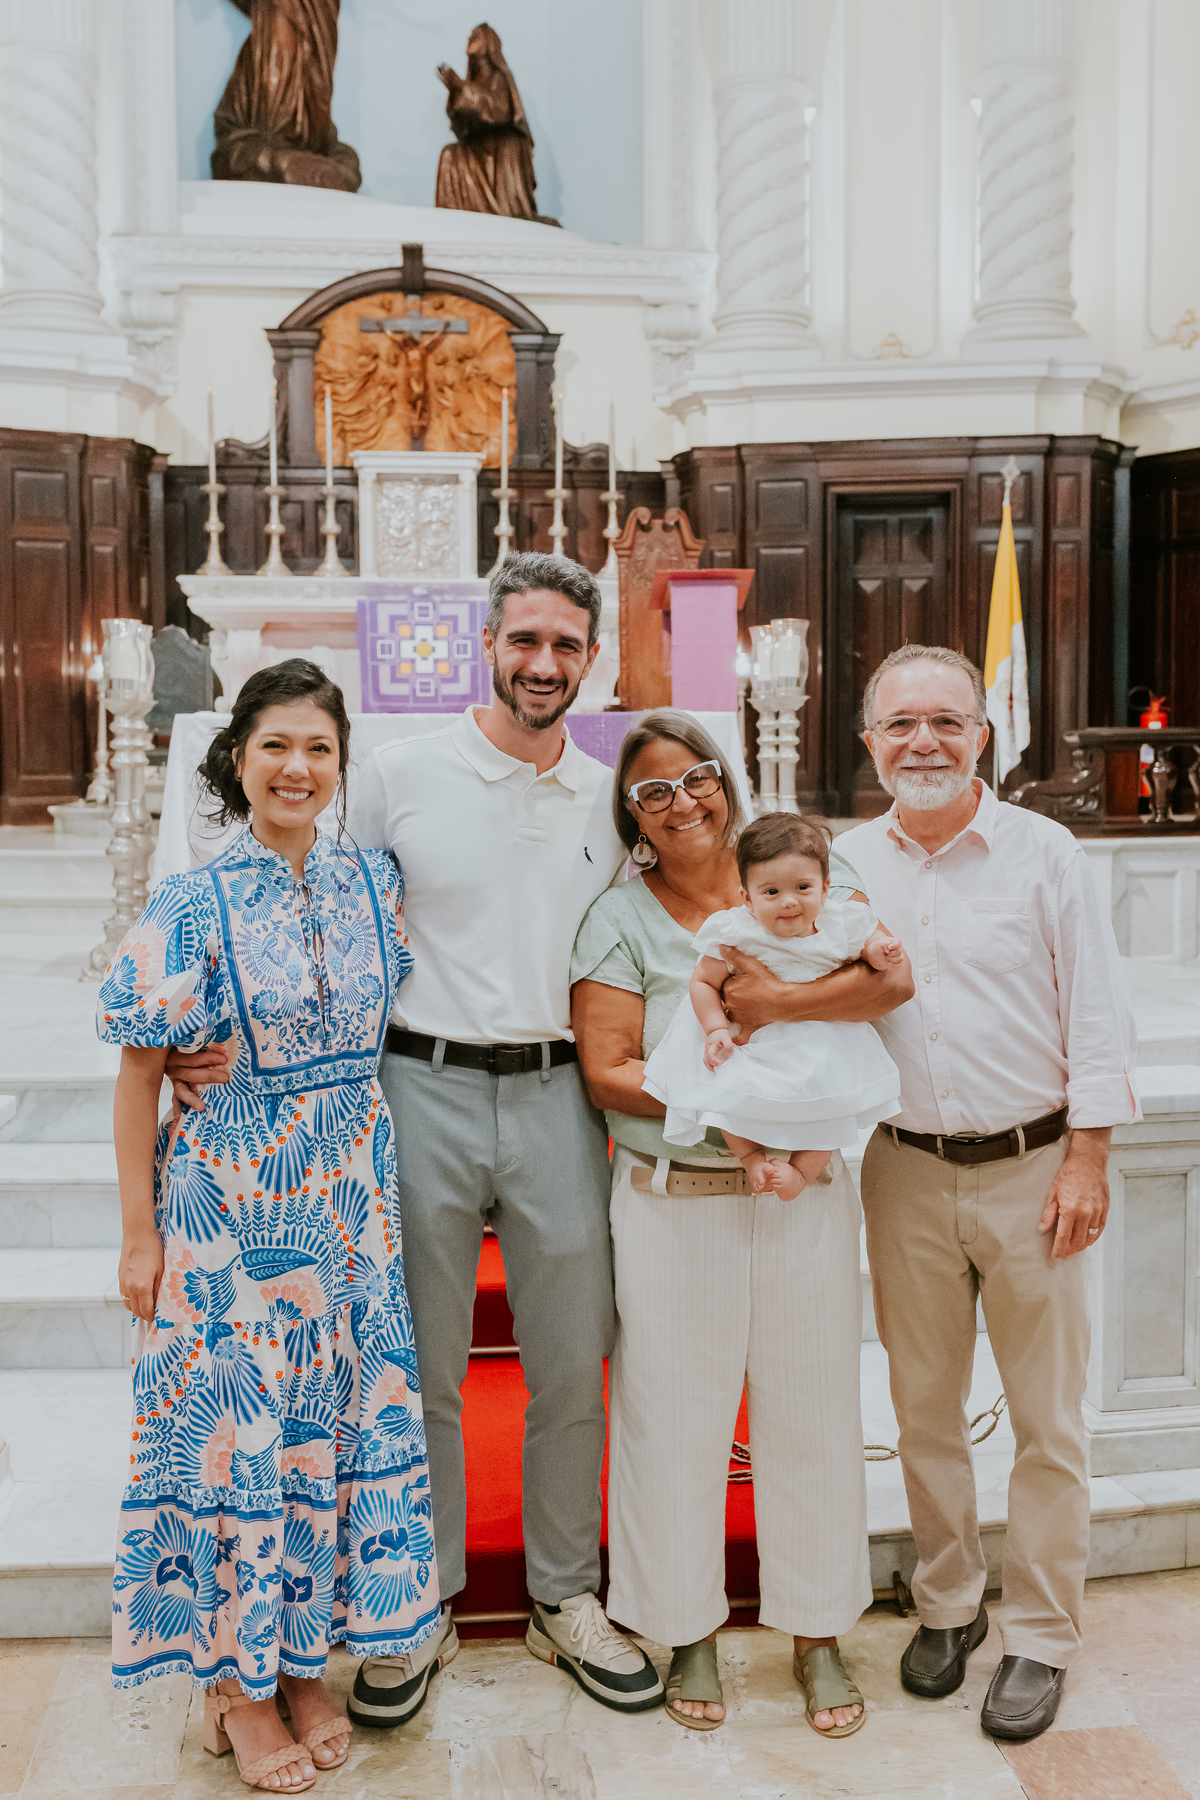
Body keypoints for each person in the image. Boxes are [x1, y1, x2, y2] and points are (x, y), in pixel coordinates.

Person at [98, 660, 440, 1792]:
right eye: (276, 746)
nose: (298, 768)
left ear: (342, 766)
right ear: (236, 759)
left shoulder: (375, 883)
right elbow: (138, 1074)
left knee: (324, 1429)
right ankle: (234, 1690)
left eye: (319, 748)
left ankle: (301, 1666)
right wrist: (140, 1235)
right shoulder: (189, 903)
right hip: (229, 1212)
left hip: (350, 1203)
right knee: (238, 1435)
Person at [570, 711, 914, 1738]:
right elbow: (606, 1068)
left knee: (813, 1412)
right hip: (678, 1201)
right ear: (630, 814)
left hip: (804, 1195)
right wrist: (733, 1108)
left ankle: (818, 1631)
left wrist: (768, 1017)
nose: (682, 802)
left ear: (726, 781)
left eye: (697, 778)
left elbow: (888, 981)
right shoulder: (618, 919)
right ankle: (686, 1629)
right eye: (653, 790)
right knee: (674, 1422)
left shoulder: (807, 883)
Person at [839, 644, 1140, 1743]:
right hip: (903, 1167)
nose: (923, 742)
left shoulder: (1045, 853)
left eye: (945, 722)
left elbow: (1096, 1013)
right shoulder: (844, 865)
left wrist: (1087, 1158)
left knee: (1049, 1420)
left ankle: (1044, 1634)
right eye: (901, 724)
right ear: (870, 742)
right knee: (923, 1410)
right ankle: (949, 1603)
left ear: (981, 736)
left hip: (1034, 1169)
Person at [644, 812, 903, 1199]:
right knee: (726, 1096)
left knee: (830, 1114)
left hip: (822, 1045)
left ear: (825, 888)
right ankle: (752, 1158)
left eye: (803, 887)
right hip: (754, 1046)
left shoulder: (841, 923)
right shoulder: (737, 932)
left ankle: (801, 1172)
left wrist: (879, 951)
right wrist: (715, 1028)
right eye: (771, 892)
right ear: (747, 898)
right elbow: (703, 981)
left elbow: (867, 948)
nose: (789, 901)